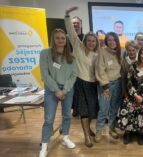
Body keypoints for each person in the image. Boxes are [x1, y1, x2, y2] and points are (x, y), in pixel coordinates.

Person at [38, 28, 77, 157]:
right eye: (57, 38)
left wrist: (64, 90)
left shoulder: (71, 57)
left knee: (67, 115)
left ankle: (65, 137)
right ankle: (44, 145)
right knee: (49, 118)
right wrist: (56, 90)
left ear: (66, 41)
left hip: (67, 90)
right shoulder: (45, 54)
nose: (60, 40)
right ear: (53, 40)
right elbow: (44, 74)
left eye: (63, 38)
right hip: (51, 89)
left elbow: (73, 75)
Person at [65, 7, 100, 148]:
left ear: (96, 42)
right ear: (85, 40)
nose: (91, 43)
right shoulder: (78, 47)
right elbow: (71, 31)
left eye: (93, 41)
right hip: (80, 83)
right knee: (84, 110)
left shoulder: (98, 54)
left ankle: (89, 128)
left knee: (92, 110)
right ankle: (86, 135)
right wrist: (67, 15)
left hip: (93, 84)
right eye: (89, 40)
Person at [118, 45, 143, 145]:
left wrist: (142, 97)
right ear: (140, 54)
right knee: (129, 113)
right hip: (132, 95)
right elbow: (129, 81)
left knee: (142, 115)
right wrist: (135, 95)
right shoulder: (133, 65)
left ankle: (141, 134)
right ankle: (128, 132)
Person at [95, 32, 123, 142]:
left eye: (114, 40)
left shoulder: (120, 52)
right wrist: (105, 86)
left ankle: (111, 128)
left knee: (114, 109)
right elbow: (100, 70)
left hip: (118, 84)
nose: (112, 42)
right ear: (106, 41)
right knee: (103, 109)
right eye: (109, 40)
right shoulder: (102, 52)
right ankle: (98, 131)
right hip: (106, 85)